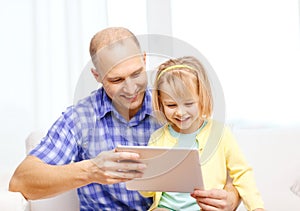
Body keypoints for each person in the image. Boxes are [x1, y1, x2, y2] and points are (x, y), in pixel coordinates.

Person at [9, 27, 240, 210]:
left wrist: (230, 198)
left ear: (144, 59)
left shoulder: (172, 108)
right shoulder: (80, 118)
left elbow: (229, 169)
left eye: (137, 74)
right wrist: (90, 171)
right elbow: (21, 181)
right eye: (116, 80)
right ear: (97, 76)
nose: (131, 89)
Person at [141, 56, 265, 211]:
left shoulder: (219, 133)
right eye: (171, 105)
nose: (180, 112)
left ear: (202, 98)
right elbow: (147, 192)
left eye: (189, 103)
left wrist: (257, 208)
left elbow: (242, 173)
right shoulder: (157, 138)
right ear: (160, 102)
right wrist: (145, 177)